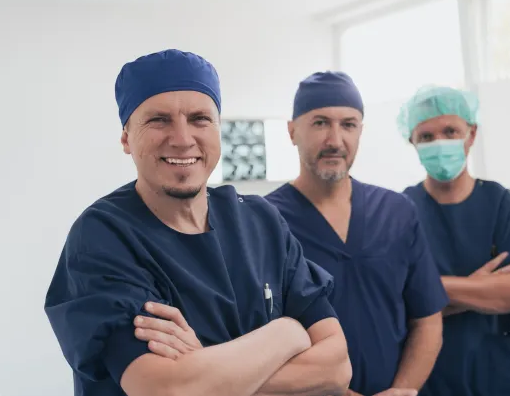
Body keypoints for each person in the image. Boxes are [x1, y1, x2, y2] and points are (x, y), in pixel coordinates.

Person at [44, 49, 352, 396]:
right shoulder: (104, 236)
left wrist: (209, 370)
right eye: (158, 119)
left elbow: (337, 368)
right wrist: (286, 333)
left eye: (199, 119)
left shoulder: (260, 222)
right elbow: (165, 389)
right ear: (127, 138)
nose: (182, 138)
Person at [263, 72, 448, 396]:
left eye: (348, 125)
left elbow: (428, 320)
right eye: (320, 123)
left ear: (361, 131)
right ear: (292, 131)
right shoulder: (263, 222)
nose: (335, 140)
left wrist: (402, 390)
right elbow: (257, 339)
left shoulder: (397, 211)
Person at [397, 85, 510, 396]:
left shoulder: (502, 204)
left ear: (472, 134)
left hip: (499, 376)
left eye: (451, 130)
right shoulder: (399, 211)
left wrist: (431, 290)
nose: (439, 143)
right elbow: (394, 304)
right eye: (426, 136)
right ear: (412, 141)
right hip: (431, 380)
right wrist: (483, 286)